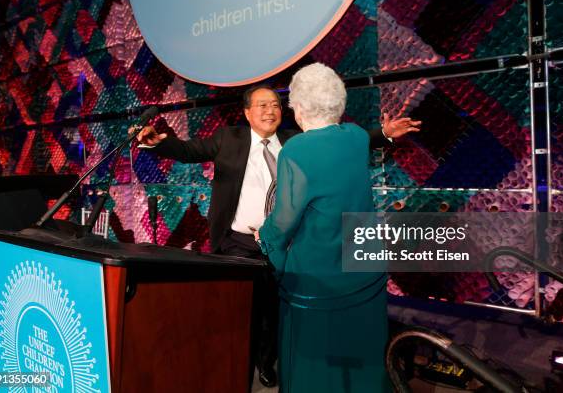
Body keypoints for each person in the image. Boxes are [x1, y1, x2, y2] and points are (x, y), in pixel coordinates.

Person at [135, 82, 420, 388]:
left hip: (285, 243)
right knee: (243, 309)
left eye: (275, 105)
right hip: (238, 243)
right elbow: (188, 150)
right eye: (262, 105)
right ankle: (235, 364)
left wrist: (385, 133)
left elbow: (343, 142)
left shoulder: (296, 140)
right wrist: (157, 143)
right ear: (247, 113)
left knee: (274, 309)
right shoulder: (228, 139)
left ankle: (266, 362)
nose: (271, 111)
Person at [256, 63, 391, 392]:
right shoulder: (357, 137)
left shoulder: (296, 150)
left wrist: (265, 238)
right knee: (364, 355)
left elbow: (286, 217)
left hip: (319, 277)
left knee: (315, 368)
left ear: (299, 107)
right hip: (364, 266)